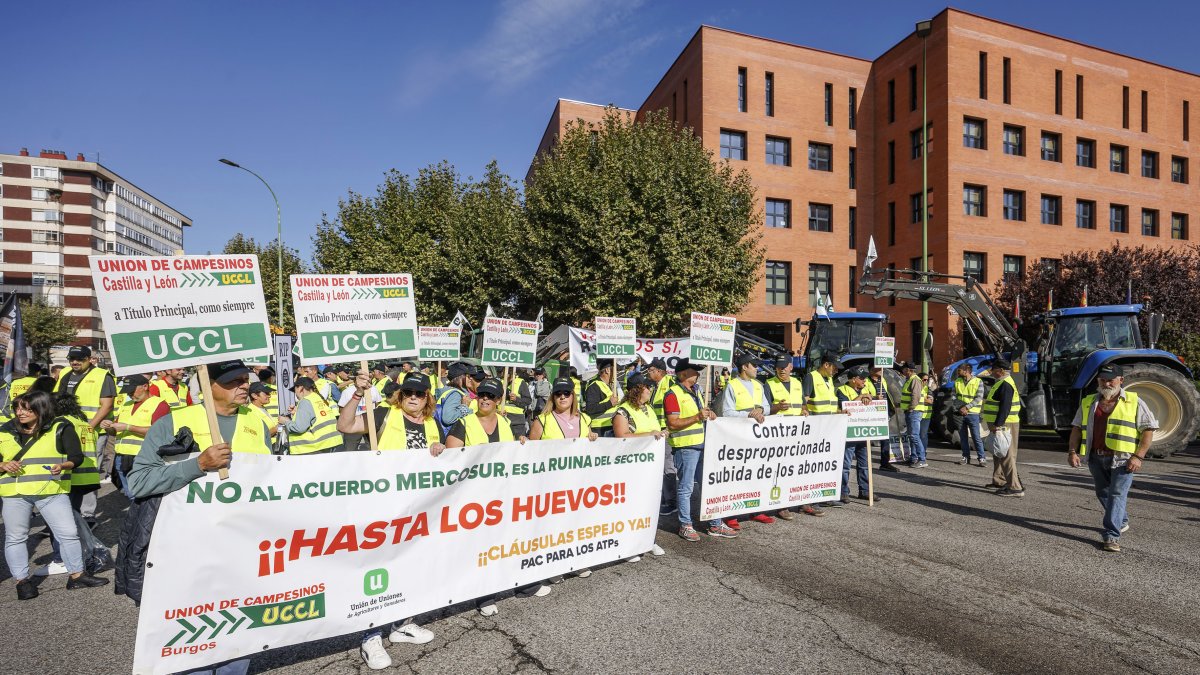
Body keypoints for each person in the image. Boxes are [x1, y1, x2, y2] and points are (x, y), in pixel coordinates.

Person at [119, 360, 268, 675]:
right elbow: (139, 482)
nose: (243, 386)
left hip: (242, 548)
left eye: (245, 380)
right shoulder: (174, 422)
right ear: (207, 383)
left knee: (237, 634)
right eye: (232, 381)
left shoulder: (257, 419)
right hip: (185, 551)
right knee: (191, 637)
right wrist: (197, 464)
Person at [336, 371, 440, 668]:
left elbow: (438, 459)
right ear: (400, 394)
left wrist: (439, 450)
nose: (413, 398)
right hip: (380, 508)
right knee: (377, 571)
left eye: (419, 394)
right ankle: (371, 636)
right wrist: (357, 393)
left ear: (427, 398)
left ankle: (401, 625)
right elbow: (345, 425)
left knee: (409, 566)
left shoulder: (432, 423)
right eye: (408, 392)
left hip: (416, 509)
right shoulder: (382, 414)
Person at [1, 390, 109, 599]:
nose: (20, 413)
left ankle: (77, 576)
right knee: (15, 538)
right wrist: (3, 464)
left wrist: (64, 465)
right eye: (17, 408)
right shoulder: (4, 431)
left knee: (68, 533)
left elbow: (76, 457)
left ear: (41, 408)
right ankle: (22, 582)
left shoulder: (60, 427)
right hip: (14, 493)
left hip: (51, 490)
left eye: (26, 408)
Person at [444, 377, 539, 614]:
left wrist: (522, 442)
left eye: (491, 396)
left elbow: (513, 452)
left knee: (501, 543)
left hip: (501, 495)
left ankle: (504, 584)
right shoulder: (464, 423)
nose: (485, 399)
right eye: (482, 395)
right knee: (479, 547)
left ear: (498, 400)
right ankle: (483, 596)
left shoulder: (506, 422)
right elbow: (451, 458)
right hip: (473, 497)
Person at [1066, 364, 1157, 552]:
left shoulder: (1134, 401)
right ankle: (1121, 519)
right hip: (1095, 457)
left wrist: (1138, 457)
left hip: (1123, 459)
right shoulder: (1089, 401)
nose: (1107, 383)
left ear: (1121, 380)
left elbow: (1148, 430)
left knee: (1117, 494)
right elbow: (1076, 428)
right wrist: (1072, 452)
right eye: (1103, 379)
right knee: (1103, 492)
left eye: (1111, 379)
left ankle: (1111, 535)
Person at [664, 359, 738, 541]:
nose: (698, 374)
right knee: (686, 487)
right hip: (686, 447)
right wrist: (697, 416)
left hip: (702, 445)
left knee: (708, 486)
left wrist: (708, 414)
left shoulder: (696, 391)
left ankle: (715, 523)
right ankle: (685, 525)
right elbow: (673, 423)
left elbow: (699, 416)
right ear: (682, 374)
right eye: (694, 371)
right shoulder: (672, 394)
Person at [53, 345, 115, 525]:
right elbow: (57, 399)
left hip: (91, 432)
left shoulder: (102, 376)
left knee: (89, 470)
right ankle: (66, 512)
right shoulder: (65, 373)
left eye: (79, 359)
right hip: (65, 430)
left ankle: (87, 515)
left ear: (89, 359)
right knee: (66, 468)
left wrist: (89, 427)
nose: (75, 362)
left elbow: (107, 405)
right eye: (72, 359)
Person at [612, 371, 667, 560]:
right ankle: (628, 545)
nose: (650, 389)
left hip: (649, 466)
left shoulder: (648, 408)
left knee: (648, 504)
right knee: (630, 506)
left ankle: (647, 539)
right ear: (638, 389)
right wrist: (650, 435)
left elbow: (654, 430)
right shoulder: (623, 411)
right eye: (646, 386)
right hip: (631, 466)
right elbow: (622, 436)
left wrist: (660, 433)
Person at [720, 353, 780, 525]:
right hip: (738, 439)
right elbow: (727, 413)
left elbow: (766, 408)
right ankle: (731, 515)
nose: (757, 368)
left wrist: (760, 410)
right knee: (736, 477)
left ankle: (756, 510)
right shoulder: (732, 385)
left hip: (756, 438)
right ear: (744, 367)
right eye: (754, 365)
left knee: (756, 474)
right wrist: (749, 414)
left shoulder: (758, 385)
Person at [103, 375, 170, 498]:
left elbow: (159, 432)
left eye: (132, 390)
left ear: (145, 386)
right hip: (122, 457)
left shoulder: (159, 404)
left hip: (144, 457)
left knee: (144, 495)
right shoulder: (127, 404)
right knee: (131, 494)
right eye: (127, 391)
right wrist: (109, 426)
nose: (129, 394)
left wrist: (128, 427)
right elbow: (116, 430)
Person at [803, 353, 843, 510]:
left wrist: (839, 412)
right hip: (816, 430)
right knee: (814, 466)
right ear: (826, 365)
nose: (836, 371)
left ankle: (825, 496)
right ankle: (811, 500)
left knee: (826, 465)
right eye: (834, 367)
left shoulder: (829, 380)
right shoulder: (811, 377)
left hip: (829, 430)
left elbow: (830, 404)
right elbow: (804, 402)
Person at [982, 358, 1023, 497]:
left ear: (1001, 370)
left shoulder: (1005, 384)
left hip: (1005, 424)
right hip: (1002, 424)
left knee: (1006, 455)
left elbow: (1005, 407)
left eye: (993, 370)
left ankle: (1015, 487)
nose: (991, 372)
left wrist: (998, 425)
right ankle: (999, 480)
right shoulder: (1001, 382)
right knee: (999, 452)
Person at [836, 367, 877, 503]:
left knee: (865, 464)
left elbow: (874, 404)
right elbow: (844, 407)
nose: (865, 380)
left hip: (863, 431)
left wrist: (872, 398)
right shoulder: (842, 390)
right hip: (849, 432)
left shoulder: (865, 390)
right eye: (862, 378)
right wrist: (859, 398)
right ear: (854, 379)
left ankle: (865, 491)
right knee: (846, 464)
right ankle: (843, 492)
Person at [529, 377, 596, 441]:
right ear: (553, 397)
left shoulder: (585, 419)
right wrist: (524, 441)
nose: (562, 397)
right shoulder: (542, 421)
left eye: (566, 393)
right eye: (558, 393)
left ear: (573, 396)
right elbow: (531, 448)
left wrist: (593, 437)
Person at [953, 363, 986, 466]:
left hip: (973, 413)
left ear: (966, 371)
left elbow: (979, 397)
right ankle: (965, 457)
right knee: (963, 437)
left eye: (959, 370)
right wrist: (960, 408)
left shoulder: (978, 381)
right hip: (960, 413)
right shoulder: (957, 381)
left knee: (976, 437)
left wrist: (966, 407)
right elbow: (954, 397)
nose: (958, 372)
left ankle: (982, 458)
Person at [867, 365, 898, 472]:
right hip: (871, 414)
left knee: (885, 438)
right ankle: (864, 463)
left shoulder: (882, 380)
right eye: (879, 368)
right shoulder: (866, 381)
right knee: (866, 439)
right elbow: (863, 395)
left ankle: (885, 463)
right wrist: (875, 398)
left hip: (883, 413)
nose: (882, 370)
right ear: (871, 370)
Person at [898, 361, 928, 468]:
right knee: (912, 436)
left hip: (914, 412)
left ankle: (922, 459)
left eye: (904, 369)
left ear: (908, 370)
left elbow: (916, 395)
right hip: (912, 411)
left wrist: (911, 408)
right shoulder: (910, 379)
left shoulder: (914, 380)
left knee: (914, 436)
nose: (902, 371)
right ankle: (914, 458)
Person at [435, 362, 477, 434]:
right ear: (460, 378)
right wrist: (464, 407)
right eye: (468, 376)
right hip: (451, 436)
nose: (470, 379)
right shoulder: (455, 394)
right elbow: (447, 418)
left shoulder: (450, 391)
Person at [583, 362, 619, 437]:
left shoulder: (609, 385)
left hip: (611, 426)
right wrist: (609, 403)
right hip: (600, 429)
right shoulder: (594, 386)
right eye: (615, 370)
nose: (617, 373)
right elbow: (590, 409)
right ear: (607, 370)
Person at [502, 369, 534, 438]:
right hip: (502, 418)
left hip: (517, 421)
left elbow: (528, 401)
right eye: (505, 373)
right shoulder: (501, 382)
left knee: (518, 443)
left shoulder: (520, 382)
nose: (506, 376)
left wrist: (516, 399)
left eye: (508, 374)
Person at [918, 372, 934, 452]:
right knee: (915, 435)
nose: (925, 382)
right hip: (916, 414)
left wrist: (919, 399)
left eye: (927, 380)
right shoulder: (915, 388)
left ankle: (923, 453)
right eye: (924, 380)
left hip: (925, 416)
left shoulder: (928, 389)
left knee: (923, 435)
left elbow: (930, 401)